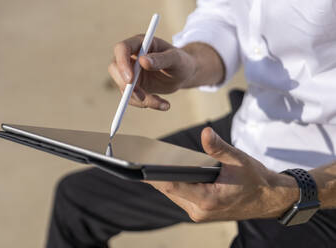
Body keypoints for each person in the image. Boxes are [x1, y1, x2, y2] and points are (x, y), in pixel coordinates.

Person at [46, 0, 336, 247]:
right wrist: (188, 64)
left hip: (320, 183)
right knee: (77, 202)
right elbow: (225, 14)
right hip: (255, 129)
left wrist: (282, 192)